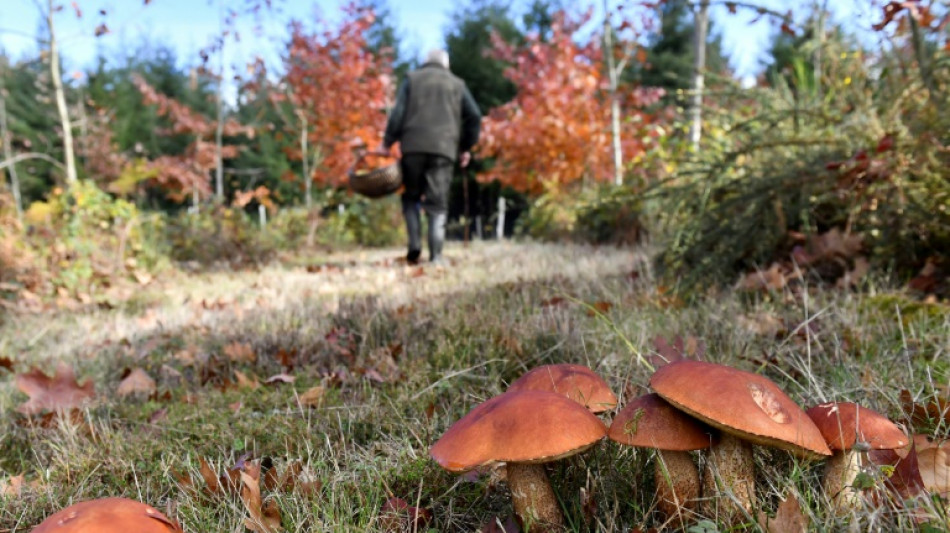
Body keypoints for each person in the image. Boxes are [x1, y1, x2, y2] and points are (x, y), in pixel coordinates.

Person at [383, 49, 482, 265]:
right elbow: (474, 116)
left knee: (411, 197)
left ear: (425, 63)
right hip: (444, 150)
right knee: (437, 204)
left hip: (413, 147)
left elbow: (397, 113)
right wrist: (466, 146)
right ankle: (436, 256)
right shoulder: (457, 84)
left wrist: (387, 142)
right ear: (446, 65)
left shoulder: (412, 79)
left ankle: (414, 247)